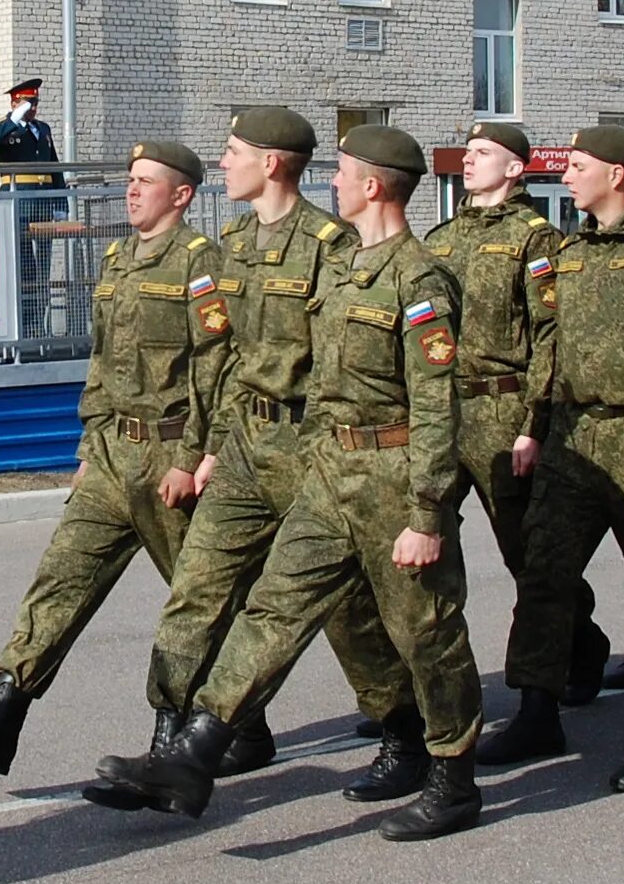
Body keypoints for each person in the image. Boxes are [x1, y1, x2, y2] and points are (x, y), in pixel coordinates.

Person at [91, 126, 484, 841]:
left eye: (345, 174)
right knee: (272, 607)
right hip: (328, 469)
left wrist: (427, 514)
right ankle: (197, 748)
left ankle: (454, 776)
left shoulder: (419, 280)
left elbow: (436, 406)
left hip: (394, 476)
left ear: (374, 186)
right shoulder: (342, 271)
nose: (330, 182)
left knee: (426, 633)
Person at [0, 140, 228, 772]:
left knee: (198, 602)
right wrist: (89, 445)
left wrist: (196, 456)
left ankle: (185, 740)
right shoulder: (115, 259)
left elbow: (218, 367)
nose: (132, 190)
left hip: (171, 451)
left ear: (182, 194)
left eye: (146, 181)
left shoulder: (199, 263)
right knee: (61, 579)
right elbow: (103, 360)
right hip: (112, 455)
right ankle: (2, 715)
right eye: (130, 180)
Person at [477, 125, 624, 795]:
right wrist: (536, 424)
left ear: (617, 174)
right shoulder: (571, 251)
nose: (568, 175)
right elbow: (549, 345)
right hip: (572, 437)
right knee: (544, 573)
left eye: (579, 166)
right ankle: (536, 710)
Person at [418, 120, 562, 653]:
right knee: (423, 537)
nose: (469, 160)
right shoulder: (442, 238)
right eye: (468, 151)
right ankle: (426, 682)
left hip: (504, 409)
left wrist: (534, 425)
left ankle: (572, 647)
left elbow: (551, 335)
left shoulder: (535, 236)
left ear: (515, 168)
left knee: (526, 551)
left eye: (483, 152)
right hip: (448, 409)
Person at [0, 74, 61, 336]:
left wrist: (60, 201)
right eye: (28, 103)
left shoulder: (43, 129)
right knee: (24, 264)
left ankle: (40, 322)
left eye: (35, 103)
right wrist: (13, 120)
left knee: (43, 268)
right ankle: (24, 323)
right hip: (19, 201)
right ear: (16, 103)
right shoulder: (3, 127)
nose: (33, 108)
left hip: (43, 200)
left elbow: (55, 167)